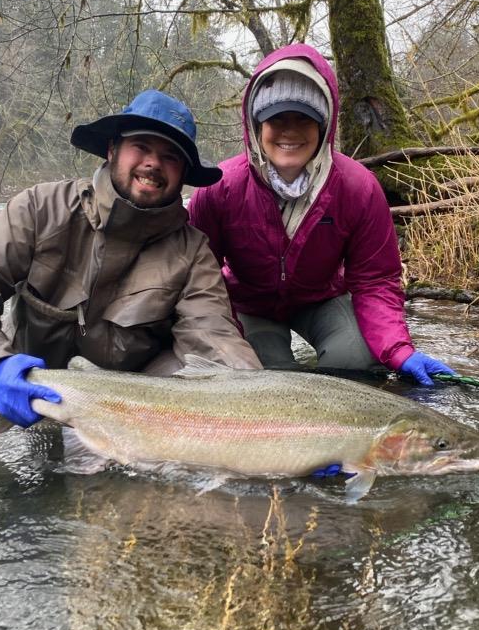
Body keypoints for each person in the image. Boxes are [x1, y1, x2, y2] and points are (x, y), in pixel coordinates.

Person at [0, 89, 261, 428]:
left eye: (171, 156)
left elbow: (214, 339)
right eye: (142, 147)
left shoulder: (192, 253)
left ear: (183, 174)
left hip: (133, 410)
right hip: (36, 395)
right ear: (112, 149)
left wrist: (270, 415)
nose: (153, 163)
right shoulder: (41, 208)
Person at [188, 43, 455, 386]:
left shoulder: (358, 188)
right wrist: (222, 339)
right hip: (249, 304)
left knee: (358, 365)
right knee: (269, 381)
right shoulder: (219, 188)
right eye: (276, 118)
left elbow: (375, 281)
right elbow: (198, 278)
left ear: (324, 126)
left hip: (320, 299)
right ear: (256, 125)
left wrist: (398, 349)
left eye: (304, 118)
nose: (290, 130)